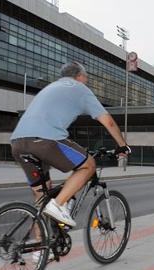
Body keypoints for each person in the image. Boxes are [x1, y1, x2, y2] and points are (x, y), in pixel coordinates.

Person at [10, 61, 130, 227]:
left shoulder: (51, 87)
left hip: (18, 142)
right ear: (80, 76)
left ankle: (39, 249)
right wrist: (122, 145)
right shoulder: (80, 89)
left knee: (41, 198)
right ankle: (58, 205)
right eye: (86, 77)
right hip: (45, 140)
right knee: (88, 165)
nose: (86, 81)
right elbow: (107, 121)